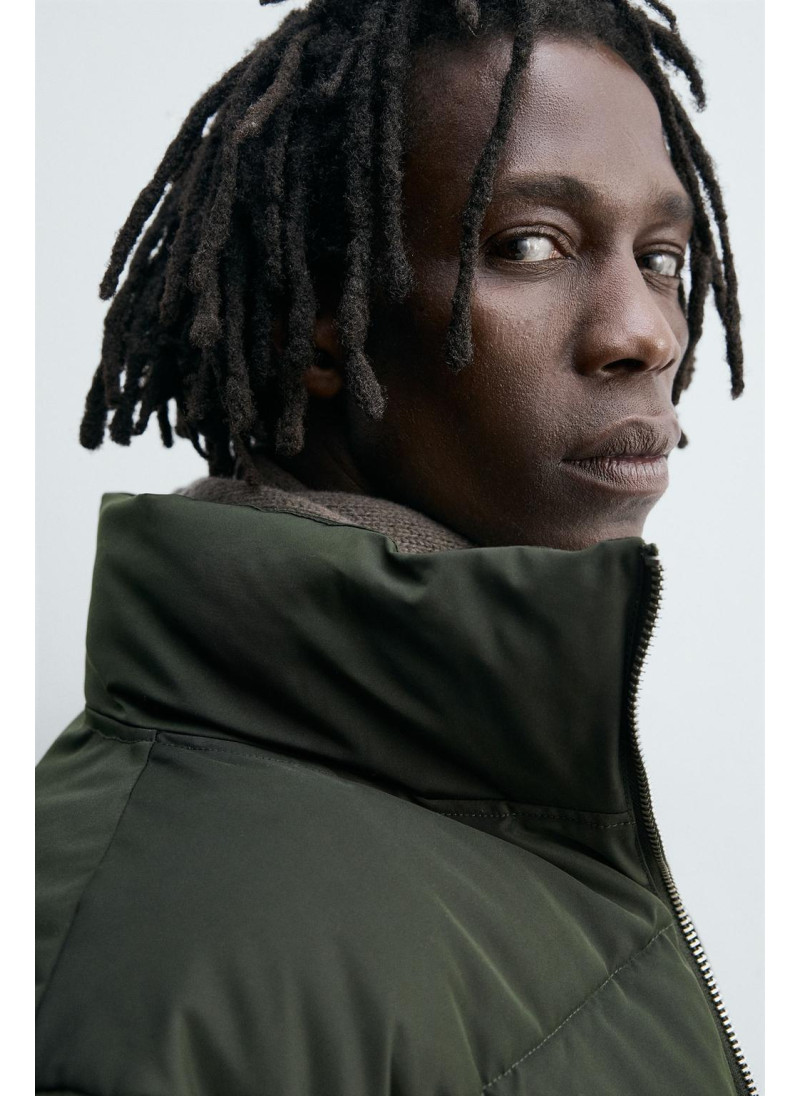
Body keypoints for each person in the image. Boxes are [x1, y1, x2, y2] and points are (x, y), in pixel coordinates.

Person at [36, 0, 758, 1093]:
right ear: (325, 324)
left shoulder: (518, 796)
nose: (645, 332)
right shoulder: (153, 957)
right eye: (530, 244)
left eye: (662, 257)